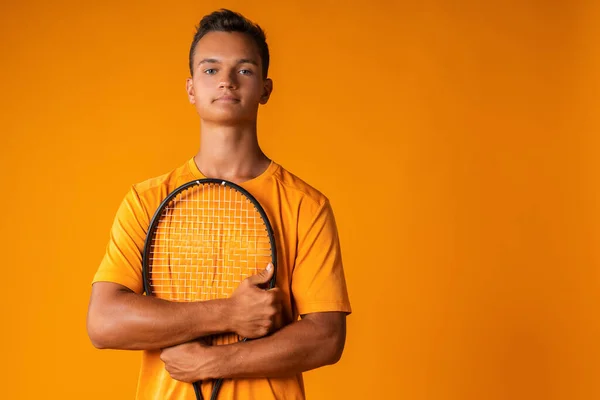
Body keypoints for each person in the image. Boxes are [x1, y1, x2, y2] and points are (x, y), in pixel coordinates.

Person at [87, 8, 351, 400]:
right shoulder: (146, 200)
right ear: (191, 88)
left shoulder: (305, 205)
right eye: (211, 70)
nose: (226, 81)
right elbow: (105, 323)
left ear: (265, 88)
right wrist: (229, 312)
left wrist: (215, 362)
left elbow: (326, 338)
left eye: (243, 70)